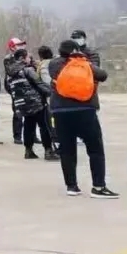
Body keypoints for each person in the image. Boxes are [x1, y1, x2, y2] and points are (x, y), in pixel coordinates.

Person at [47, 39, 118, 198]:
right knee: (95, 149)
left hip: (60, 111)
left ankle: (72, 187)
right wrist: (85, 58)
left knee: (67, 150)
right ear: (76, 50)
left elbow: (53, 74)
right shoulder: (86, 65)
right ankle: (98, 187)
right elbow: (103, 75)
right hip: (85, 110)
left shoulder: (54, 65)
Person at [6, 48, 58, 161]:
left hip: (22, 104)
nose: (31, 59)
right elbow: (39, 83)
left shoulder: (9, 73)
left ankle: (28, 151)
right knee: (44, 126)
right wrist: (52, 92)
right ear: (22, 58)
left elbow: (8, 88)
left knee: (29, 126)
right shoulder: (28, 70)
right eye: (29, 57)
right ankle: (48, 151)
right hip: (36, 102)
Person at [3, 37, 28, 145]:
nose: (21, 46)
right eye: (18, 45)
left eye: (22, 44)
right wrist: (23, 62)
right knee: (18, 111)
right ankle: (17, 136)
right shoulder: (8, 58)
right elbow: (11, 71)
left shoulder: (27, 56)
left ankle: (30, 135)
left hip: (27, 87)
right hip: (15, 87)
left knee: (31, 111)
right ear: (12, 48)